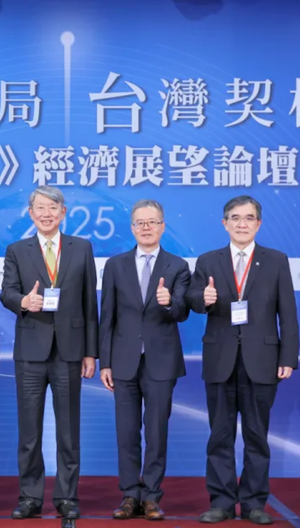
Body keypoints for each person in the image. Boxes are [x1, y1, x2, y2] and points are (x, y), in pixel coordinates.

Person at [187, 195, 299, 525]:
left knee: (256, 436)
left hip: (262, 359)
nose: (242, 224)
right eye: (235, 218)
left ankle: (253, 503)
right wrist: (203, 299)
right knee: (219, 436)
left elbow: (288, 313)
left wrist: (288, 356)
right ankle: (221, 502)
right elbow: (192, 298)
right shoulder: (208, 260)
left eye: (249, 218)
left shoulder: (276, 260)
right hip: (220, 358)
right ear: (225, 224)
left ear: (258, 224)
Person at [0, 185, 98, 520]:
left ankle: (67, 496)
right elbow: (7, 292)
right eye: (40, 208)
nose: (46, 213)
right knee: (29, 431)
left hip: (70, 352)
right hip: (30, 352)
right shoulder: (17, 250)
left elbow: (89, 303)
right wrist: (24, 301)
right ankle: (30, 497)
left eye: (52, 207)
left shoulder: (81, 248)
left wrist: (91, 353)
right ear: (31, 213)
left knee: (69, 431)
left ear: (63, 212)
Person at [98, 199, 191, 521]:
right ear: (132, 228)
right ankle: (129, 495)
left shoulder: (178, 266)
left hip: (161, 362)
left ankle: (151, 496)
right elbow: (107, 316)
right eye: (140, 222)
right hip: (123, 361)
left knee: (156, 432)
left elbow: (183, 311)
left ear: (163, 226)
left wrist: (169, 302)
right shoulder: (116, 265)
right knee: (126, 432)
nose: (146, 227)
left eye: (152, 222)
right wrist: (105, 362)